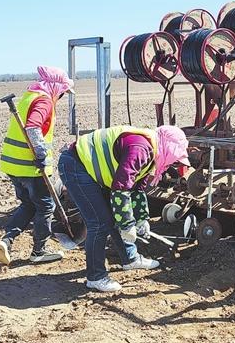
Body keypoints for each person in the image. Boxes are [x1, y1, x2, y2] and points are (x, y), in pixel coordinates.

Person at [58, 124, 190, 292]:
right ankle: (95, 277)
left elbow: (137, 189)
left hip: (91, 169)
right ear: (168, 147)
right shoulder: (140, 149)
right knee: (99, 223)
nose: (174, 161)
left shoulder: (152, 153)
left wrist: (142, 219)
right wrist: (127, 224)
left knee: (113, 217)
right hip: (76, 166)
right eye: (175, 156)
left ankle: (130, 259)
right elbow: (121, 188)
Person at [0, 66, 73, 265]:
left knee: (29, 204)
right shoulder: (44, 100)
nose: (61, 96)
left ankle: (6, 241)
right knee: (46, 207)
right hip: (31, 166)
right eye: (63, 92)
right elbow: (33, 126)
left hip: (13, 164)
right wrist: (40, 153)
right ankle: (40, 251)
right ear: (56, 87)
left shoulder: (29, 95)